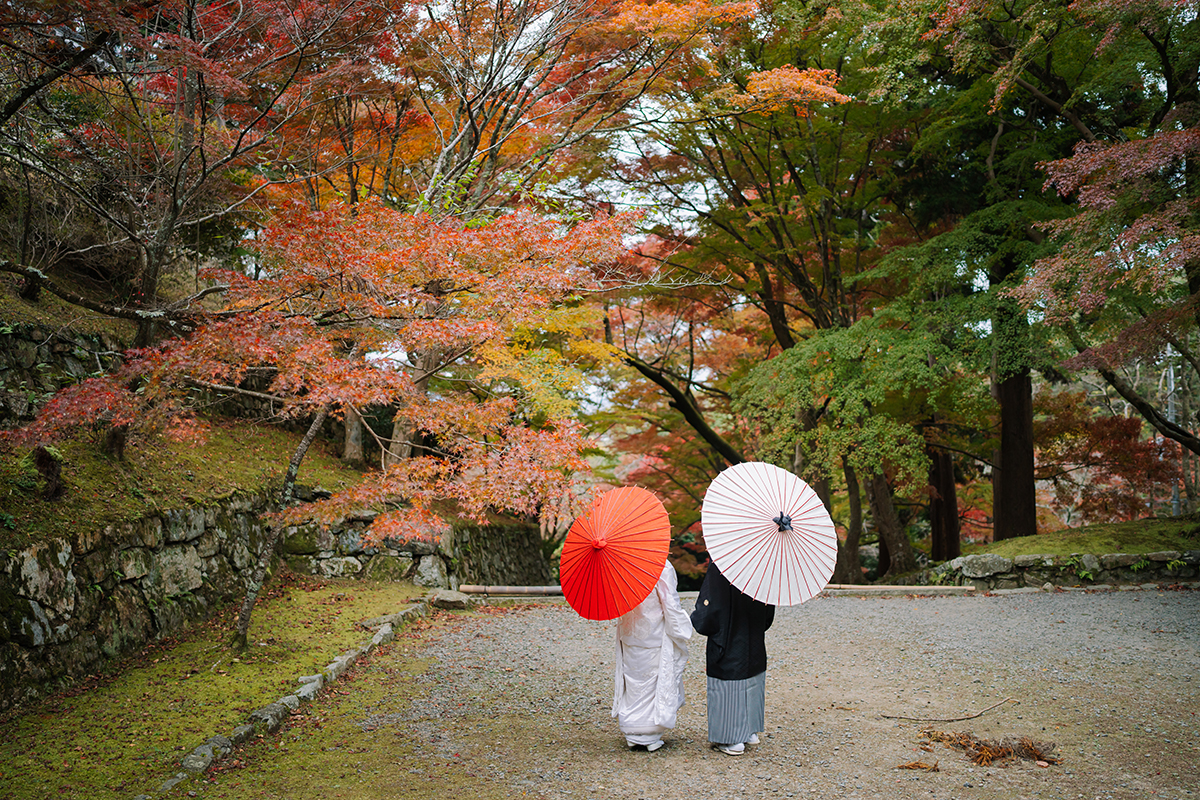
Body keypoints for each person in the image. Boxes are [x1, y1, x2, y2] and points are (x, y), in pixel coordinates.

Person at [690, 561, 775, 756]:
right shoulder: (762, 560)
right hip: (753, 632)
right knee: (752, 672)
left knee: (728, 674)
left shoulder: (723, 560)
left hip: (727, 634)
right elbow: (768, 608)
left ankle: (731, 739)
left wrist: (699, 619)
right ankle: (750, 730)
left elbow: (709, 608)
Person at [611, 560, 692, 751]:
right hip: (654, 632)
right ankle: (650, 734)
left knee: (632, 680)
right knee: (653, 681)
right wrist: (681, 629)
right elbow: (670, 603)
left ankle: (631, 731)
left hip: (629, 631)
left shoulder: (620, 563)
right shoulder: (660, 565)